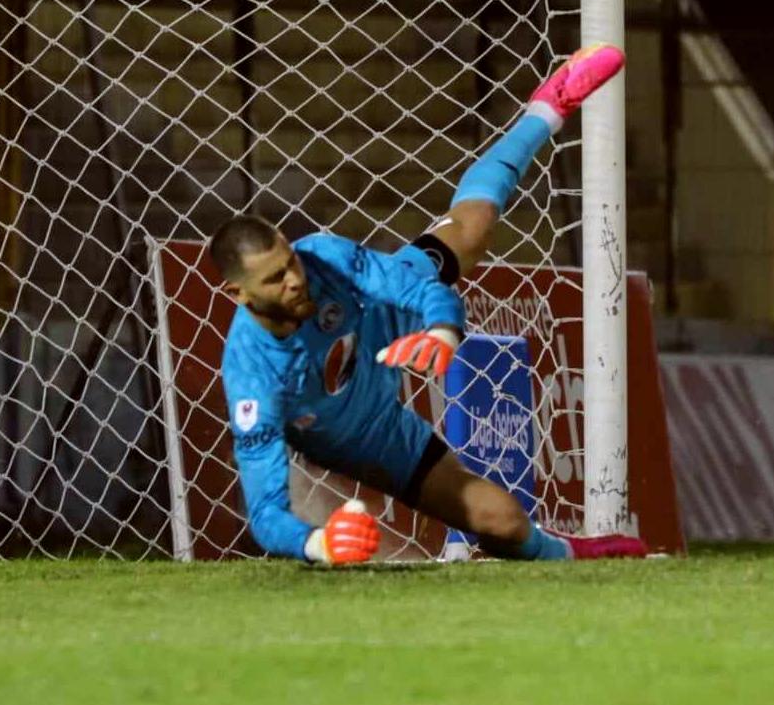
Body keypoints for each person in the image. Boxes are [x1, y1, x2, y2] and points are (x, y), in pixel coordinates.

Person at [209, 44, 648, 564]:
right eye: (275, 277)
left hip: (376, 316)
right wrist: (317, 543)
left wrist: (442, 329)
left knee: (471, 229)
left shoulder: (323, 259)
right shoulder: (251, 375)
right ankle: (564, 554)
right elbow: (262, 510)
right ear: (237, 294)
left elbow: (416, 290)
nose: (293, 279)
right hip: (361, 435)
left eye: (290, 261)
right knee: (501, 523)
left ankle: (547, 108)